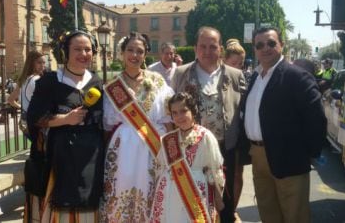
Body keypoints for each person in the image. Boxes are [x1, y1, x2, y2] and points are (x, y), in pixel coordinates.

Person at [238, 26, 326, 223]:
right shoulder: (255, 77)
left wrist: (308, 153)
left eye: (271, 43)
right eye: (259, 45)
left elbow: (317, 119)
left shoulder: (297, 76)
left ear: (282, 44)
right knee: (268, 212)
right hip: (258, 156)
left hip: (289, 156)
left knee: (294, 215)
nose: (265, 48)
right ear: (254, 49)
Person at [25, 30, 104, 222]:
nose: (84, 54)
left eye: (88, 49)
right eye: (77, 49)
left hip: (91, 156)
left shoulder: (96, 81)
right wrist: (65, 119)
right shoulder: (50, 81)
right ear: (65, 52)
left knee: (90, 203)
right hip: (59, 157)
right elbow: (35, 118)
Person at [171, 26, 246, 223]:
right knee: (194, 198)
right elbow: (170, 109)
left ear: (220, 49)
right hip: (191, 148)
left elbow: (243, 111)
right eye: (202, 46)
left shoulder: (235, 75)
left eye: (212, 47)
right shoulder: (180, 73)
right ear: (195, 48)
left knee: (225, 200)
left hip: (225, 147)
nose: (207, 51)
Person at [100, 32, 174, 222]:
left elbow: (167, 117)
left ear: (145, 54)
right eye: (130, 50)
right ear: (122, 53)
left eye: (139, 51)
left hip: (153, 144)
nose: (135, 55)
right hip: (123, 147)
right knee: (121, 188)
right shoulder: (113, 86)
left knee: (150, 191)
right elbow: (108, 121)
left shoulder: (157, 80)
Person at [150, 92, 225, 222]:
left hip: (195, 194)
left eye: (183, 111)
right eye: (174, 113)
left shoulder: (205, 136)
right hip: (169, 193)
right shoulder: (168, 139)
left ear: (193, 110)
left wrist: (218, 199)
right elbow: (159, 168)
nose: (179, 116)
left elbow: (215, 170)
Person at [223, 38, 248, 223]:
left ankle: (233, 209)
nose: (239, 67)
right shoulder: (219, 76)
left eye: (241, 63)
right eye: (234, 63)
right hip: (225, 133)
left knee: (238, 173)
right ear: (225, 60)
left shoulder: (243, 77)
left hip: (241, 132)